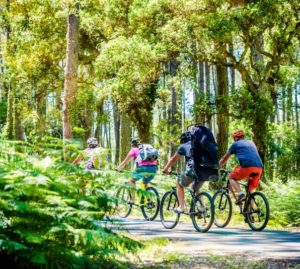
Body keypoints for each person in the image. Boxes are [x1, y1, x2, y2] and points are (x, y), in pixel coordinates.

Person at [162, 132, 205, 213]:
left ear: (183, 140)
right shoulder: (198, 145)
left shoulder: (183, 146)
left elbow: (173, 159)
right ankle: (203, 207)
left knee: (179, 182)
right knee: (195, 188)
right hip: (205, 170)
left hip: (194, 170)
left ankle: (182, 206)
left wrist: (166, 169)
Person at [219, 130, 263, 204]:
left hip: (247, 166)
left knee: (231, 177)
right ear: (243, 137)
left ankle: (240, 194)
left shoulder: (236, 144)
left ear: (236, 138)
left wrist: (217, 166)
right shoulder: (251, 143)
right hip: (259, 167)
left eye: (234, 138)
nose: (234, 140)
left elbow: (224, 158)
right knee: (250, 191)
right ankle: (251, 213)